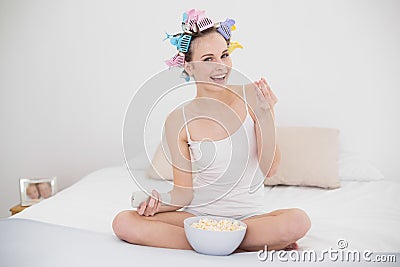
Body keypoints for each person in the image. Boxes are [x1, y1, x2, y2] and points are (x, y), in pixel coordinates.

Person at [113, 9, 311, 252]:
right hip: (198, 218)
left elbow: (270, 169)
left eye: (224, 55)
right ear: (189, 67)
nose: (221, 66)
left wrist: (264, 114)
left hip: (249, 220)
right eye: (208, 59)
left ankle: (217, 241)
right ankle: (236, 243)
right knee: (124, 222)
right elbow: (183, 195)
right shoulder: (177, 120)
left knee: (297, 222)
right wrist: (157, 204)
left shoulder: (253, 95)